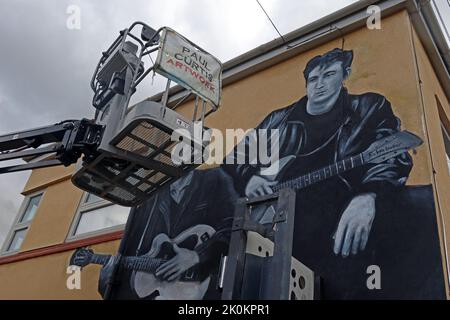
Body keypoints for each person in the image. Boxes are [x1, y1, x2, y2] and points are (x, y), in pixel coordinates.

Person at [222, 48, 414, 298]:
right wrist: (249, 177)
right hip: (278, 229)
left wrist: (369, 194)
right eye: (313, 79)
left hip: (335, 229)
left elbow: (391, 154)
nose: (320, 85)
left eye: (329, 75)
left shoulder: (368, 107)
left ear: (345, 75)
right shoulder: (278, 120)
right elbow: (235, 156)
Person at [125, 167, 237, 299]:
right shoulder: (152, 195)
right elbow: (132, 250)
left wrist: (197, 256)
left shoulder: (215, 179)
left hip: (207, 292)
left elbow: (233, 227)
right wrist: (110, 272)